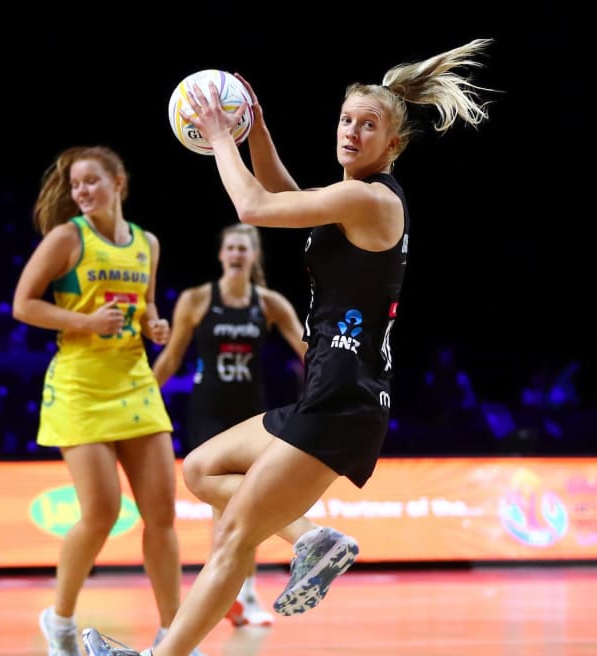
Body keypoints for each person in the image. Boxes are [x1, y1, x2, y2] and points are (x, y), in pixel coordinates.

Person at [83, 38, 494, 656]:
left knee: (234, 538)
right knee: (200, 469)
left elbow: (254, 205)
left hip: (344, 402)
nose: (352, 131)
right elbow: (281, 190)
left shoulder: (371, 199)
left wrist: (220, 134)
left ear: (394, 145)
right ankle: (311, 540)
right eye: (345, 119)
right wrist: (256, 127)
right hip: (329, 394)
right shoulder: (349, 200)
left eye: (369, 125)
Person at [12, 145, 203, 656]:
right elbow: (23, 304)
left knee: (161, 515)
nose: (81, 192)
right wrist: (84, 323)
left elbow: (146, 308)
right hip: (79, 385)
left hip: (134, 382)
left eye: (91, 181)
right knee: (101, 512)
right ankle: (60, 619)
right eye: (76, 185)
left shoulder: (147, 244)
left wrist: (154, 325)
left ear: (119, 182)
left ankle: (173, 635)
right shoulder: (66, 237)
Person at [151, 223, 307, 628]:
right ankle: (237, 594)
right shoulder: (198, 299)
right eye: (231, 247)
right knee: (230, 505)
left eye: (244, 248)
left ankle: (241, 594)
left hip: (250, 414)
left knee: (245, 503)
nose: (237, 254)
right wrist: (144, 394)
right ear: (221, 254)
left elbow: (306, 349)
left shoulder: (269, 303)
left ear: (253, 256)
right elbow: (171, 358)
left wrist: (337, 383)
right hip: (208, 412)